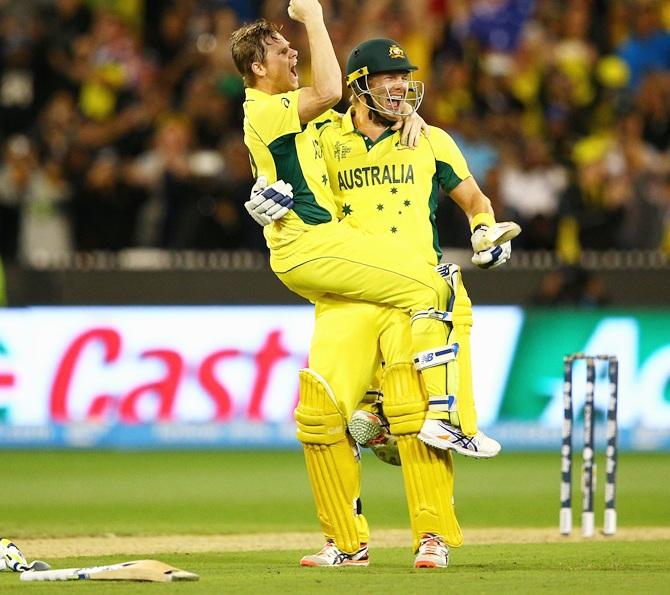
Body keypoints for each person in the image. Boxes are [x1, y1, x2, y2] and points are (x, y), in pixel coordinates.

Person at [230, 2, 518, 568]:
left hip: (411, 293)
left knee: (415, 416)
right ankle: (346, 542)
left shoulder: (428, 137)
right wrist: (263, 199)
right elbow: (280, 159)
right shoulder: (327, 133)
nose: (399, 92)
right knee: (318, 414)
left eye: (404, 82)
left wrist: (487, 231)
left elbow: (477, 204)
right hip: (350, 289)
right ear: (360, 88)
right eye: (387, 82)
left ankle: (432, 536)